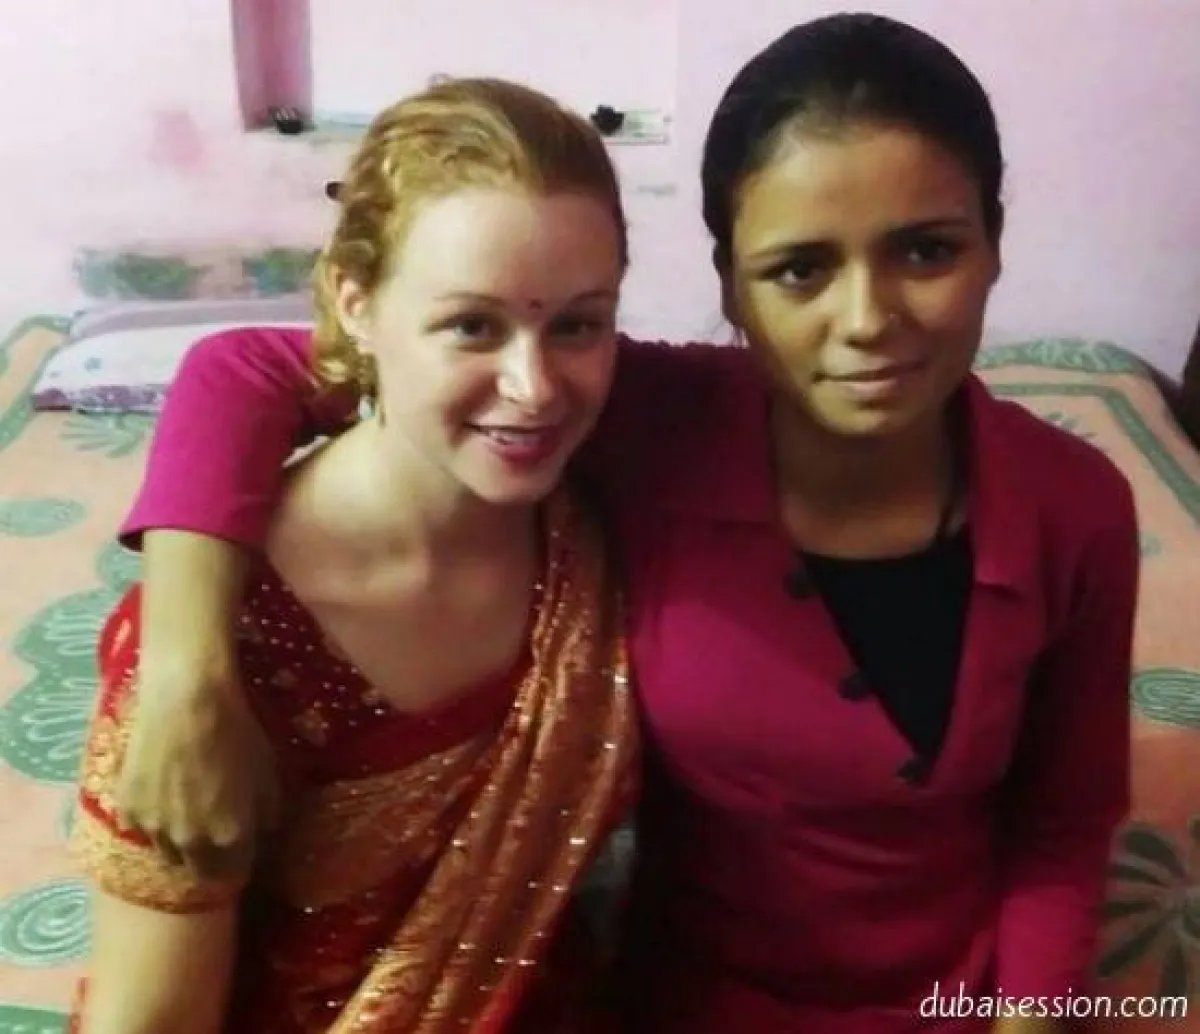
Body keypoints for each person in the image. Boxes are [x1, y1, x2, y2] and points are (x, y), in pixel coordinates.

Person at [101, 14, 1139, 1034]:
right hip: (686, 1004)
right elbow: (247, 368)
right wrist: (187, 670)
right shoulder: (638, 420)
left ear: (994, 245)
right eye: (800, 268)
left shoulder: (1073, 507)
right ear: (731, 282)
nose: (868, 319)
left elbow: (1063, 823)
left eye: (927, 250)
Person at [69, 76, 641, 1034]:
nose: (534, 386)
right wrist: (185, 677)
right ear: (356, 301)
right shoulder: (234, 642)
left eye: (577, 324)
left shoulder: (594, 522)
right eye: (472, 325)